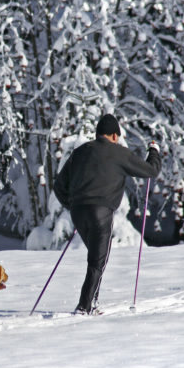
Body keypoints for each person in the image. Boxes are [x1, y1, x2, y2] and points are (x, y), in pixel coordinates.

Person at [53, 114, 161, 315]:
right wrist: (153, 151)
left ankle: (91, 303)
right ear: (113, 135)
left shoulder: (80, 152)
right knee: (97, 261)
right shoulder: (119, 153)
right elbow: (151, 171)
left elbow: (58, 185)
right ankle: (84, 307)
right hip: (101, 211)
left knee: (97, 259)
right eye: (117, 137)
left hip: (77, 211)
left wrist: (72, 204)